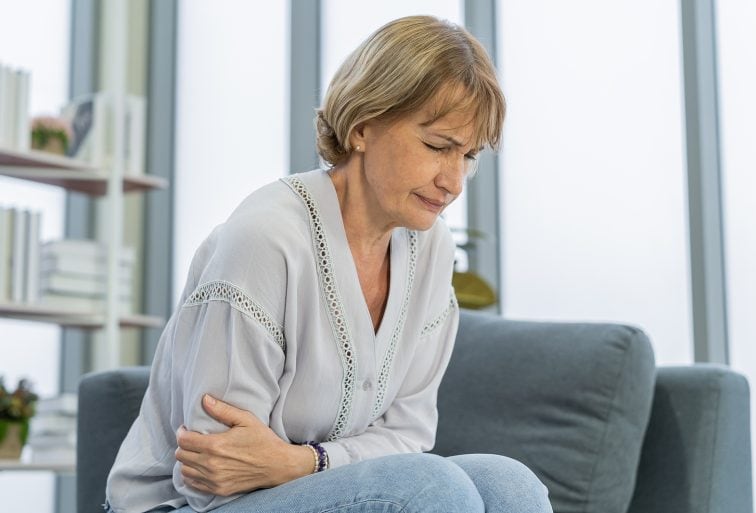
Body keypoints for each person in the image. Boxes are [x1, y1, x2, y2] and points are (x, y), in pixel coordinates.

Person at [106, 15, 552, 513]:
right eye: (437, 146)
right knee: (432, 490)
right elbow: (214, 472)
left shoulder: (431, 250)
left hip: (296, 488)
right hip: (192, 506)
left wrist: (302, 463)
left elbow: (408, 434)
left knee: (510, 485)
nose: (453, 181)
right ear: (362, 126)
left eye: (468, 156)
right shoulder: (267, 239)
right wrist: (315, 466)